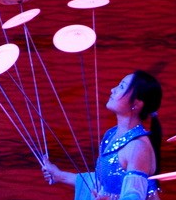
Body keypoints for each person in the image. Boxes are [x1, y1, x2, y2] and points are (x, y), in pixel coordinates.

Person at [40, 70, 162, 199]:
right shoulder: (111, 134)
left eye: (121, 87)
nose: (112, 90)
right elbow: (103, 183)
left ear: (136, 104)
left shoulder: (137, 147)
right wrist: (60, 175)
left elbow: (134, 196)